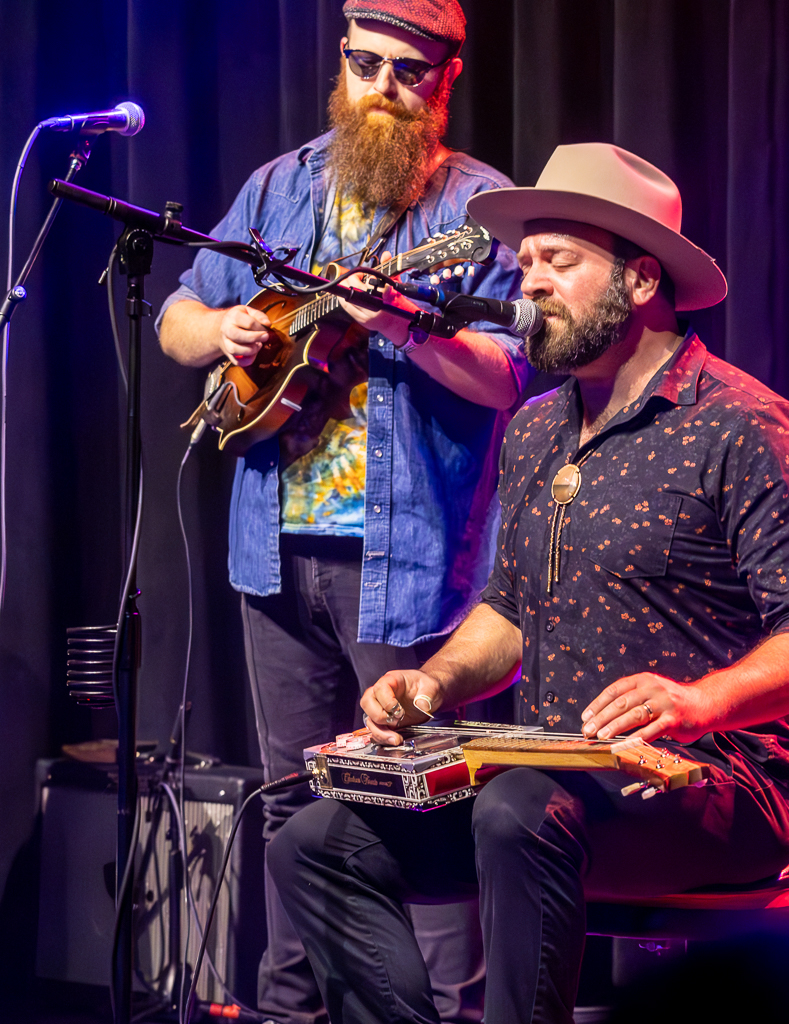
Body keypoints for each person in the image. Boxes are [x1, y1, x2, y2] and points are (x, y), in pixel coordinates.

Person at [266, 143, 789, 1024]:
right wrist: (433, 681)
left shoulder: (745, 424)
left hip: (710, 787)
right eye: (527, 261)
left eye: (560, 261)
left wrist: (698, 702)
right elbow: (510, 606)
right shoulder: (540, 429)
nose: (530, 283)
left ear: (642, 281)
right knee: (315, 842)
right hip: (555, 785)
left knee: (515, 812)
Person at [156, 2, 530, 1022]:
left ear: (444, 81)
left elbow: (510, 375)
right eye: (366, 64)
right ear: (341, 61)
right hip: (272, 551)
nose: (382, 88)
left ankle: (446, 1013)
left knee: (422, 807)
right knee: (293, 806)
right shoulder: (277, 187)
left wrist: (406, 325)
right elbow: (178, 311)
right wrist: (223, 329)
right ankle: (295, 1011)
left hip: (408, 564)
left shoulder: (478, 210)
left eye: (408, 73)